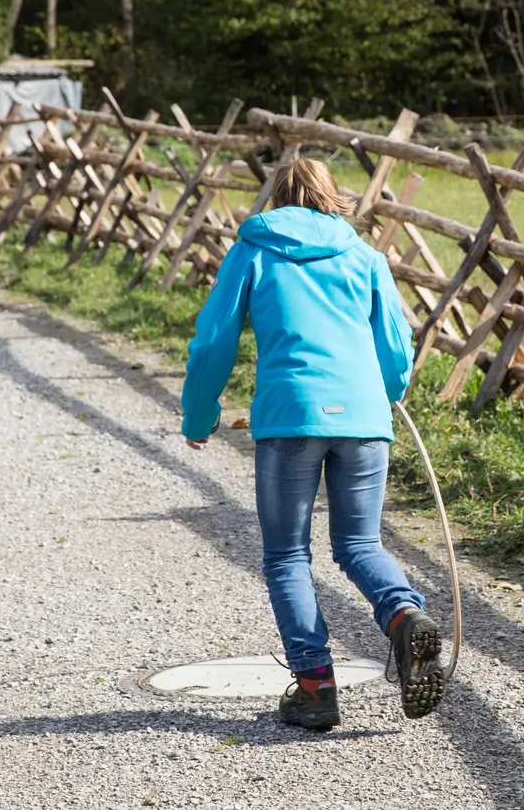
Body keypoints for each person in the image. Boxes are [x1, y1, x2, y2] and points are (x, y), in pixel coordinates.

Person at [180, 158, 445, 728]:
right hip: (364, 419)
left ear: (276, 197)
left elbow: (211, 343)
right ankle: (402, 615)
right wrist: (386, 394)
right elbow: (397, 346)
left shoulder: (253, 251)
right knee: (358, 544)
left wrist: (198, 416)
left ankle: (315, 687)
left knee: (287, 555)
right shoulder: (365, 257)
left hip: (290, 419)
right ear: (333, 196)